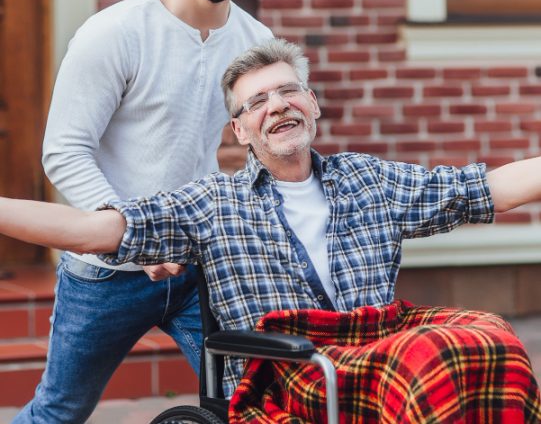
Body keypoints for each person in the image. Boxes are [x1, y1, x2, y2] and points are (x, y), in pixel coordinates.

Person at [3, 39, 541, 421]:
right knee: (436, 360)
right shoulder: (215, 203)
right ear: (239, 130)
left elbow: (487, 190)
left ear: (312, 104)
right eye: (256, 101)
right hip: (288, 371)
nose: (276, 105)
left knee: (492, 339)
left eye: (287, 91)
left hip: (377, 345)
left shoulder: (368, 179)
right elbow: (91, 231)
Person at [14, 0, 273, 424]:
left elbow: (267, 156)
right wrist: (135, 233)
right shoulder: (115, 33)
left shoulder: (257, 44)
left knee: (253, 404)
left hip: (197, 264)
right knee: (59, 412)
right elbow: (63, 150)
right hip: (104, 271)